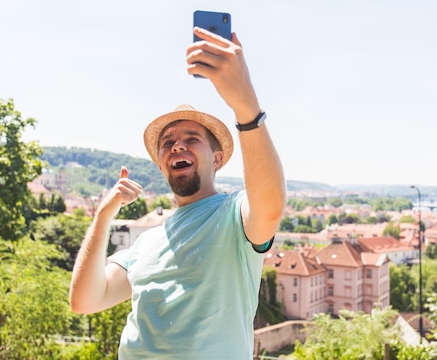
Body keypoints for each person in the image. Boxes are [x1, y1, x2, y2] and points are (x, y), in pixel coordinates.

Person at [69, 26, 286, 359]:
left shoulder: (234, 217)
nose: (177, 145)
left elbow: (269, 207)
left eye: (191, 138)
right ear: (161, 166)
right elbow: (85, 301)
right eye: (167, 143)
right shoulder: (145, 243)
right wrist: (103, 215)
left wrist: (247, 109)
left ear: (217, 159)